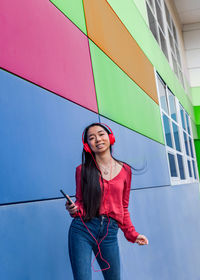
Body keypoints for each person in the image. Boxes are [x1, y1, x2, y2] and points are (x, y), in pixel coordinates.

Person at [65, 123, 148, 280]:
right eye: (91, 137)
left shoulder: (125, 170)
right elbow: (81, 202)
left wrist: (132, 234)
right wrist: (74, 208)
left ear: (110, 137)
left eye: (101, 134)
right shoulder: (82, 170)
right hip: (83, 229)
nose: (97, 139)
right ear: (87, 145)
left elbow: (123, 207)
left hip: (109, 233)